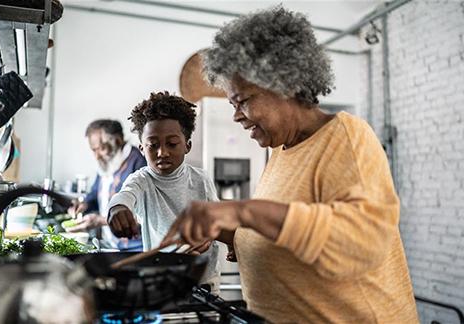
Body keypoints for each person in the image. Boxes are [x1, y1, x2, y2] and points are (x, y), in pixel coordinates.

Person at [161, 6, 419, 323]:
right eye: (232, 104)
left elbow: (362, 242)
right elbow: (286, 230)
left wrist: (240, 210)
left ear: (285, 83)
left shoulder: (346, 137)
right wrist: (223, 230)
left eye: (242, 100)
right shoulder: (282, 151)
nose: (236, 115)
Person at [107, 91, 220, 292]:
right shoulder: (141, 180)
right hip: (162, 284)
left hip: (205, 282)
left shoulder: (201, 179)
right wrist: (117, 209)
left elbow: (218, 220)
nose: (162, 152)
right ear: (142, 149)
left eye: (172, 144)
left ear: (187, 145)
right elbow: (124, 196)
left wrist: (212, 236)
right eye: (153, 145)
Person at [67, 119, 146, 249]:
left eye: (101, 149)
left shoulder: (138, 163)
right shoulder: (107, 163)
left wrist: (99, 221)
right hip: (112, 244)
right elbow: (94, 194)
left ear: (118, 141)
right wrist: (83, 204)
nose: (97, 156)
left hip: (135, 247)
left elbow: (143, 214)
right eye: (94, 150)